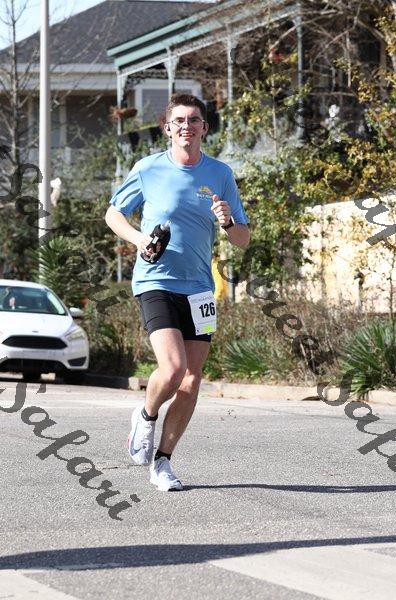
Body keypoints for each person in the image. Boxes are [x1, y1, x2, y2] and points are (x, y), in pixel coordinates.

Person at [105, 93, 250, 491]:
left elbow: (242, 239)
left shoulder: (220, 174)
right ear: (168, 128)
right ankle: (146, 415)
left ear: (205, 128)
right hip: (156, 281)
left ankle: (163, 462)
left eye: (194, 120)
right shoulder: (148, 168)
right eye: (180, 120)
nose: (187, 126)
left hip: (200, 289)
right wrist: (138, 239)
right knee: (172, 369)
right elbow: (113, 213)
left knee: (191, 380)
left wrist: (227, 222)